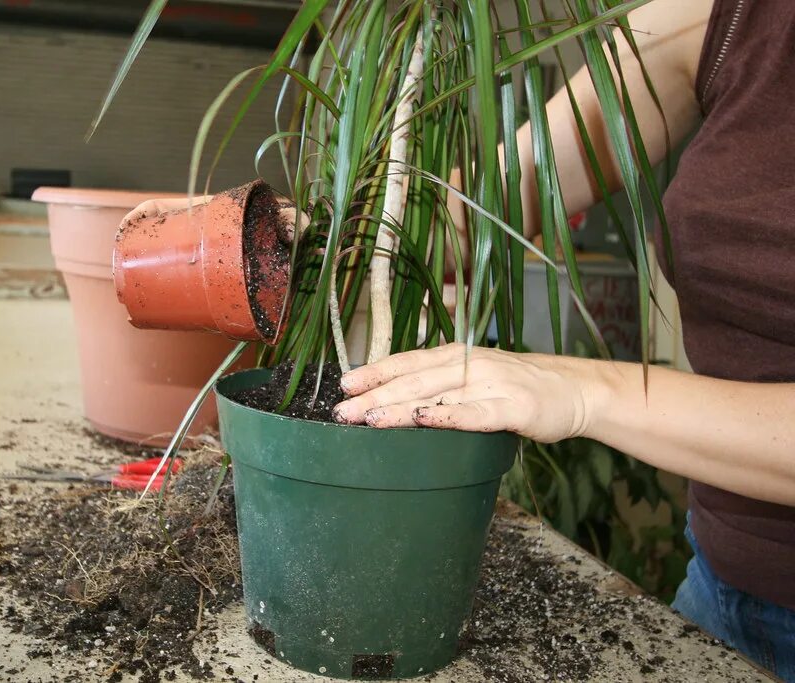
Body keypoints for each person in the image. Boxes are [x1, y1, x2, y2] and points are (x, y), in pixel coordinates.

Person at [126, 0, 794, 677]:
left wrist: (586, 389)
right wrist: (307, 246)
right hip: (717, 590)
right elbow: (492, 201)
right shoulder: (731, 17)